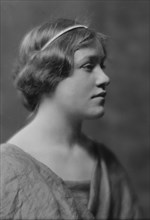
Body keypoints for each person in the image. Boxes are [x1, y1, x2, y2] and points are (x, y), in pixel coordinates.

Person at [0, 18, 141, 219]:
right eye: (88, 66)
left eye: (102, 65)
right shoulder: (6, 169)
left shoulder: (105, 163)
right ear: (47, 73)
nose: (104, 78)